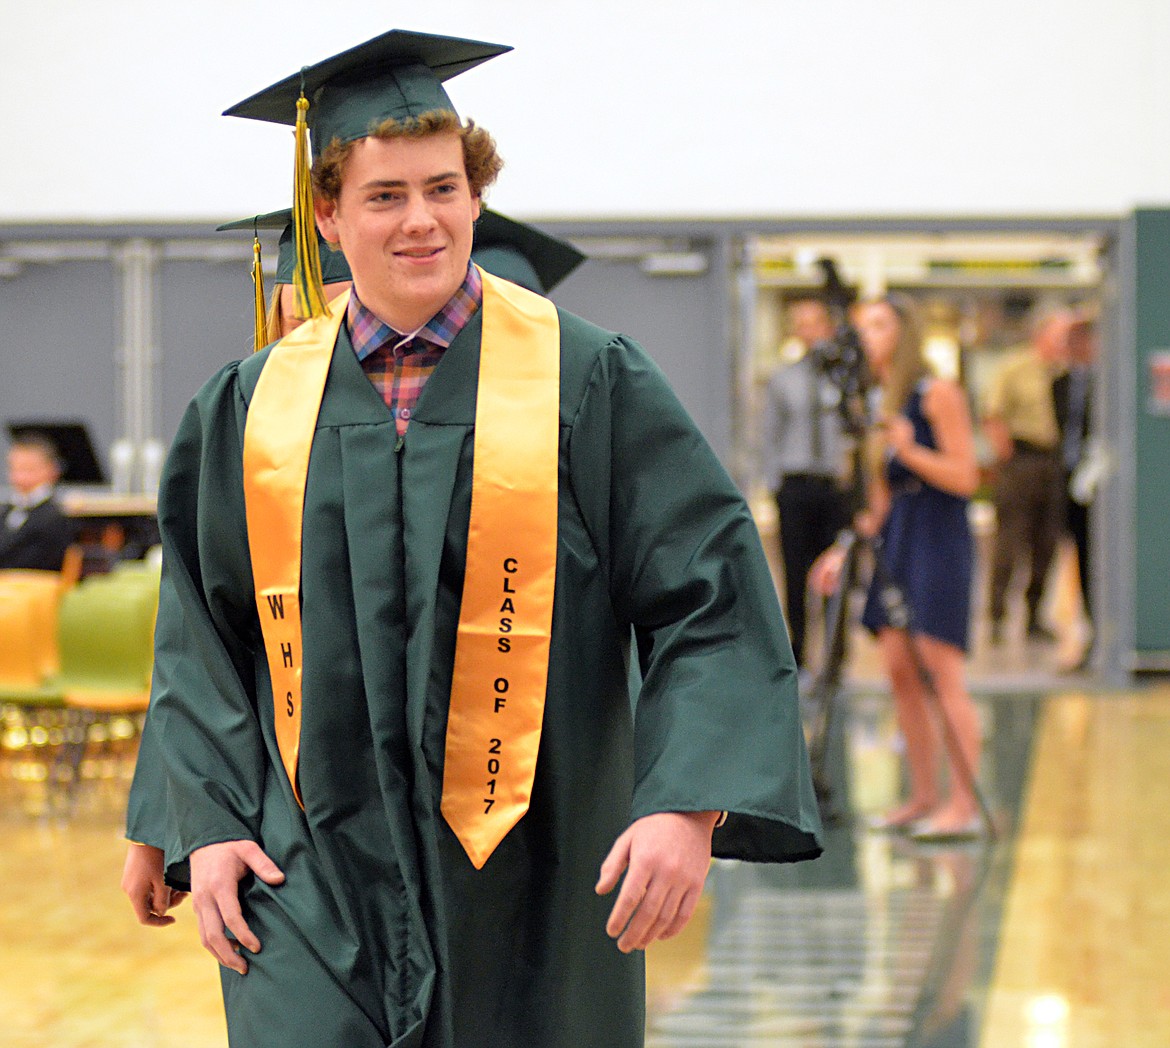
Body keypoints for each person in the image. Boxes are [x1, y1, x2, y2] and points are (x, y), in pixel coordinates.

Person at [131, 29, 821, 1048]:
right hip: (311, 872)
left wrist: (690, 804)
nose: (423, 220)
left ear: (476, 193)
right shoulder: (250, 405)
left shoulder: (586, 380)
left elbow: (708, 595)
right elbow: (203, 627)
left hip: (534, 867)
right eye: (385, 195)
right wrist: (199, 817)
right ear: (327, 213)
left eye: (444, 188)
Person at [122, 205, 587, 926]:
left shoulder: (510, 442)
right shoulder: (250, 428)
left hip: (497, 799)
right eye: (302, 324)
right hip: (297, 819)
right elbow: (204, 642)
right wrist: (170, 819)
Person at [812, 295, 983, 840]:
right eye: (860, 326)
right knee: (900, 674)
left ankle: (964, 804)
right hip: (898, 540)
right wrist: (844, 551)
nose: (867, 336)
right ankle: (923, 796)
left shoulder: (938, 394)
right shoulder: (880, 402)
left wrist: (910, 452)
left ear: (904, 333)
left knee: (941, 671)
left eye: (879, 325)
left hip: (939, 539)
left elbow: (966, 477)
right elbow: (881, 500)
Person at [760, 296, 852, 667]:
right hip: (796, 485)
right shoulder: (782, 379)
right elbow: (769, 434)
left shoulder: (844, 377)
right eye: (800, 323)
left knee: (837, 571)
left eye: (815, 322)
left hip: (835, 485)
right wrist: (774, 485)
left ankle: (836, 655)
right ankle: (797, 654)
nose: (808, 330)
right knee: (796, 574)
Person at [982, 305, 1074, 645]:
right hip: (1021, 460)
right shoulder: (1015, 368)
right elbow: (992, 415)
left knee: (1047, 543)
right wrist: (1007, 455)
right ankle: (996, 617)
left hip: (1054, 463)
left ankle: (1034, 616)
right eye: (1058, 335)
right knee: (1009, 541)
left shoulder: (1065, 374)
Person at [1052, 311, 1097, 648]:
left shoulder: (1108, 383)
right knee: (1077, 551)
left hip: (1099, 482)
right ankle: (1089, 625)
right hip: (1068, 478)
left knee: (1098, 553)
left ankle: (1101, 624)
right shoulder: (1060, 383)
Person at [0, 432, 73, 571]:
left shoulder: (54, 517)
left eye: (28, 469)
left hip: (28, 585)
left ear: (52, 469)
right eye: (13, 468)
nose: (18, 477)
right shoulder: (6, 510)